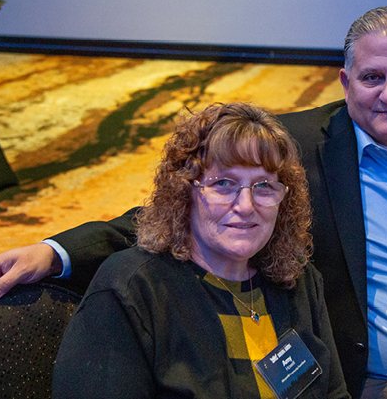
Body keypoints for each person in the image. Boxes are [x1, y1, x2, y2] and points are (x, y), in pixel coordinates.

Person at [0, 7, 387, 399]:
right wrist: (56, 251)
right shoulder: (297, 151)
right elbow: (181, 211)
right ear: (345, 82)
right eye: (371, 78)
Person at [50, 102, 350, 398]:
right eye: (223, 183)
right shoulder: (133, 290)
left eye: (263, 186)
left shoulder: (296, 278)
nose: (246, 206)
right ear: (185, 191)